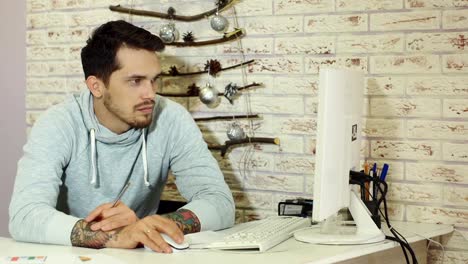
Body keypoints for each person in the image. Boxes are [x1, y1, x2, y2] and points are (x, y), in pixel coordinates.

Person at [9, 20, 235, 253]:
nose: (150, 93)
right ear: (96, 86)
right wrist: (115, 235)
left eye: (154, 79)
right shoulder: (59, 123)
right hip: (69, 256)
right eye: (135, 81)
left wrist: (152, 227)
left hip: (139, 256)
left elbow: (220, 202)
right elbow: (25, 216)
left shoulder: (171, 119)